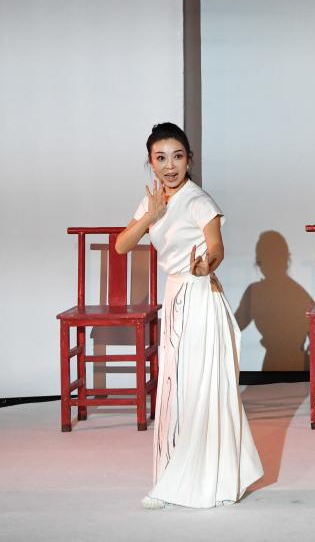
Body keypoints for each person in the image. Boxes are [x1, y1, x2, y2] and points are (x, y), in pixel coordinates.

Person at [115, 122, 263, 509]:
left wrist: (205, 266)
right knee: (173, 389)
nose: (170, 166)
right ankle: (170, 478)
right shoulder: (152, 202)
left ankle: (207, 480)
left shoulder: (199, 200)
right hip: (175, 295)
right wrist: (150, 216)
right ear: (150, 163)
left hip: (200, 298)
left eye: (177, 157)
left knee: (196, 388)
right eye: (161, 158)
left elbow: (216, 248)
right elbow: (121, 246)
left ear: (190, 160)